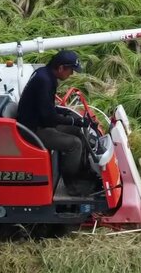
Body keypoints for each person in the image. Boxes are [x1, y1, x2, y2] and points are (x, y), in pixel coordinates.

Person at [16, 50, 95, 196]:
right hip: (32, 130)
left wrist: (65, 113)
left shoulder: (44, 73)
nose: (71, 74)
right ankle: (72, 186)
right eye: (71, 70)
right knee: (74, 144)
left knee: (78, 132)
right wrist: (73, 120)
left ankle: (82, 172)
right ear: (61, 68)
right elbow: (48, 118)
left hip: (39, 121)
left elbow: (45, 107)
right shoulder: (44, 81)